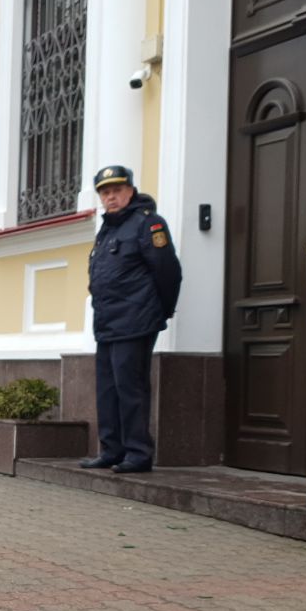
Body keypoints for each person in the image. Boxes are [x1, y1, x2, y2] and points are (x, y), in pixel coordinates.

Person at [80, 165, 182, 474]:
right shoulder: (108, 229)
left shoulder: (148, 225)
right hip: (108, 322)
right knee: (107, 389)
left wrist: (159, 312)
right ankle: (112, 450)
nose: (111, 197)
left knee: (130, 389)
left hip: (136, 321)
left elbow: (168, 272)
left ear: (130, 191)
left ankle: (138, 454)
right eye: (105, 192)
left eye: (116, 190)